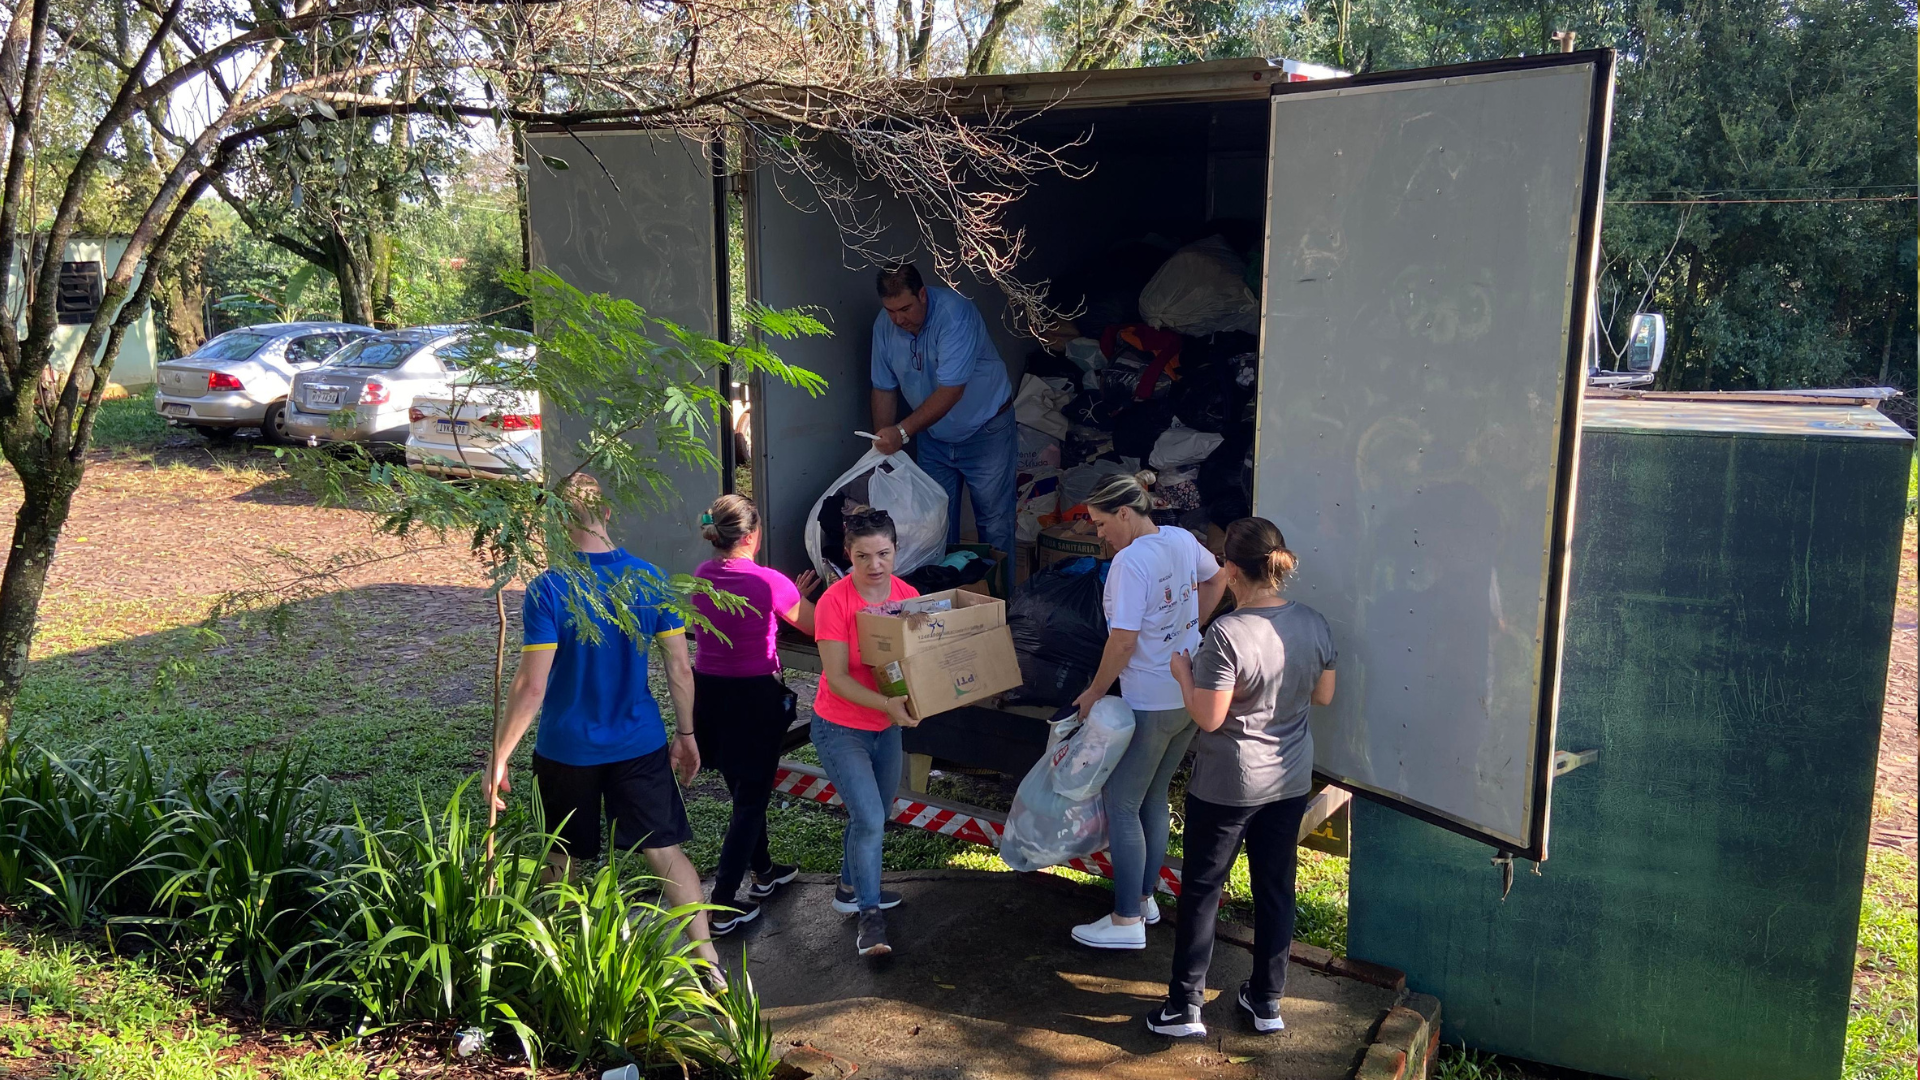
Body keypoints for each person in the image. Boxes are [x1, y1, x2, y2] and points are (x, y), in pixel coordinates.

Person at [488, 474, 719, 977]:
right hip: (638, 742)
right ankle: (708, 961)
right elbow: (680, 668)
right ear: (609, 512)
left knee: (562, 860)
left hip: (566, 748)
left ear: (553, 519)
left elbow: (532, 686)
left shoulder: (548, 588)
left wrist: (499, 755)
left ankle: (566, 967)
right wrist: (686, 735)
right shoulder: (649, 578)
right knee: (664, 852)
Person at [1147, 517, 1336, 1038]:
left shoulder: (1226, 633)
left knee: (1204, 890)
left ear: (1230, 570)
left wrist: (1184, 674)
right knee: (1276, 889)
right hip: (1291, 777)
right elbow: (1323, 696)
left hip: (1228, 784)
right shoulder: (1315, 623)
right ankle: (1266, 1001)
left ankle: (1184, 1008)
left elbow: (1208, 717)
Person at [1067, 471, 1226, 951]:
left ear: (1123, 513)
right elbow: (1217, 577)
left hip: (1150, 700)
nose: (1098, 534)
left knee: (1122, 803)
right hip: (1184, 692)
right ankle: (1145, 898)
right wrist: (1191, 627)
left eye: (1099, 524)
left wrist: (1095, 690)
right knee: (1154, 800)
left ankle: (1125, 919)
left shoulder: (1130, 563)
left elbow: (1124, 639)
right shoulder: (1179, 539)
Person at [689, 494, 820, 933]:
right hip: (753, 697)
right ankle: (723, 902)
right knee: (751, 800)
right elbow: (816, 626)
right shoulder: (770, 582)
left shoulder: (701, 575)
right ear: (751, 536)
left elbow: (733, 621)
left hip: (708, 694)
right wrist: (794, 597)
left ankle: (764, 872)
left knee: (741, 788)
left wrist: (782, 601)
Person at [809, 508, 920, 957]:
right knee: (870, 818)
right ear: (847, 556)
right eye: (863, 556)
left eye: (884, 554)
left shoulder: (908, 594)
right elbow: (837, 679)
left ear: (896, 550)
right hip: (840, 727)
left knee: (875, 812)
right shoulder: (835, 603)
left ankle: (850, 883)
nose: (875, 565)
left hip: (886, 726)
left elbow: (917, 663)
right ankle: (870, 919)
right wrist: (889, 705)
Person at [868, 262, 1017, 561]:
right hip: (933, 436)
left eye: (906, 309)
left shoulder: (954, 314)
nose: (898, 319)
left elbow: (952, 390)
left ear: (923, 294)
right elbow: (884, 388)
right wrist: (884, 447)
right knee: (934, 525)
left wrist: (900, 433)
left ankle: (1002, 603)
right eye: (891, 310)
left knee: (994, 523)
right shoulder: (884, 326)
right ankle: (945, 603)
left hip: (985, 429)